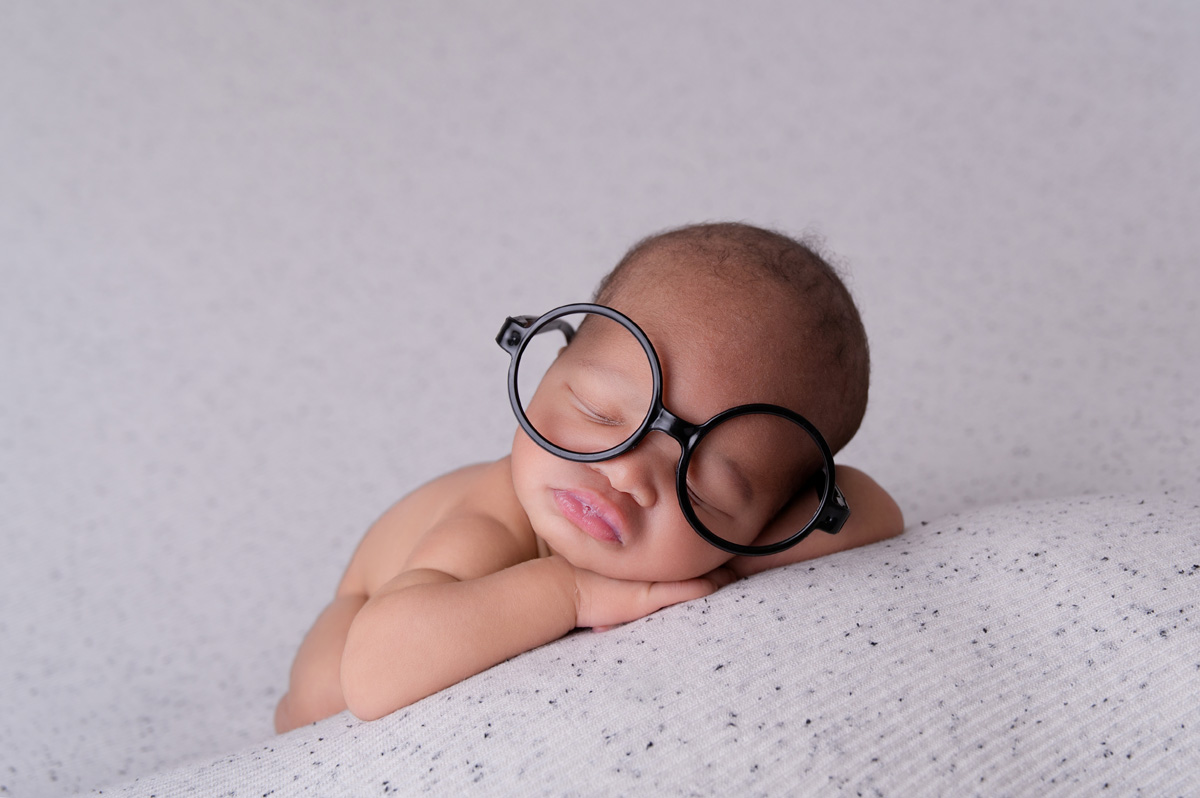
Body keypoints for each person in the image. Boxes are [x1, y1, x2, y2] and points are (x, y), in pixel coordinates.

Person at [274, 222, 904, 734]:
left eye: (704, 487)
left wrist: (718, 559)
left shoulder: (732, 535)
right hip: (367, 608)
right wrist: (575, 593)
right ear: (551, 363)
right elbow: (376, 667)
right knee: (325, 705)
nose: (625, 472)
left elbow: (872, 510)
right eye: (600, 413)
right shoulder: (496, 517)